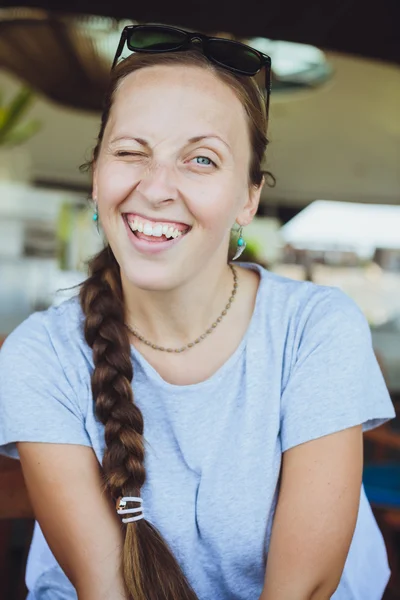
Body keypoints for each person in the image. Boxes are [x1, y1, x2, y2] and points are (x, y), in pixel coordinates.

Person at [0, 24, 396, 600]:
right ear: (95, 176)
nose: (156, 187)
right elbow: (107, 589)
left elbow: (302, 589)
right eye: (130, 151)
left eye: (202, 160)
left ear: (248, 197)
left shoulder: (315, 328)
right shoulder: (41, 354)